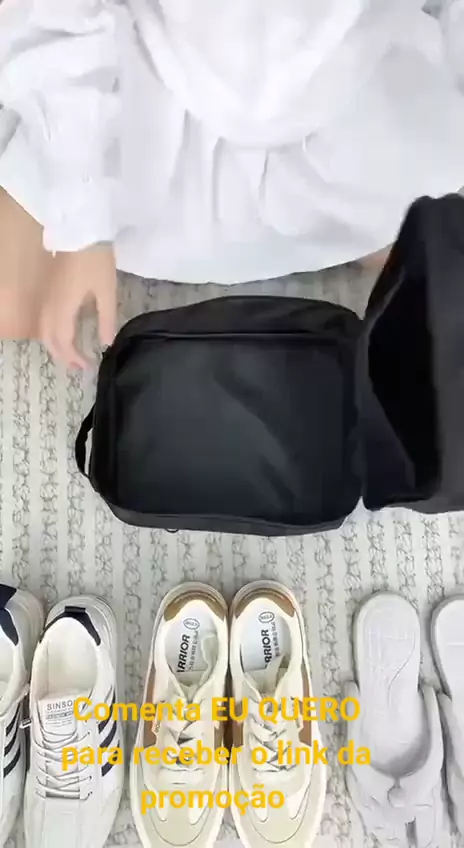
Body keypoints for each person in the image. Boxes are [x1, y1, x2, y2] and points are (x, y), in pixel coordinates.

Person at [0, 0, 464, 367]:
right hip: (155, 78)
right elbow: (56, 15)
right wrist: (83, 216)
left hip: (348, 85)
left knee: (433, 292)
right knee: (12, 300)